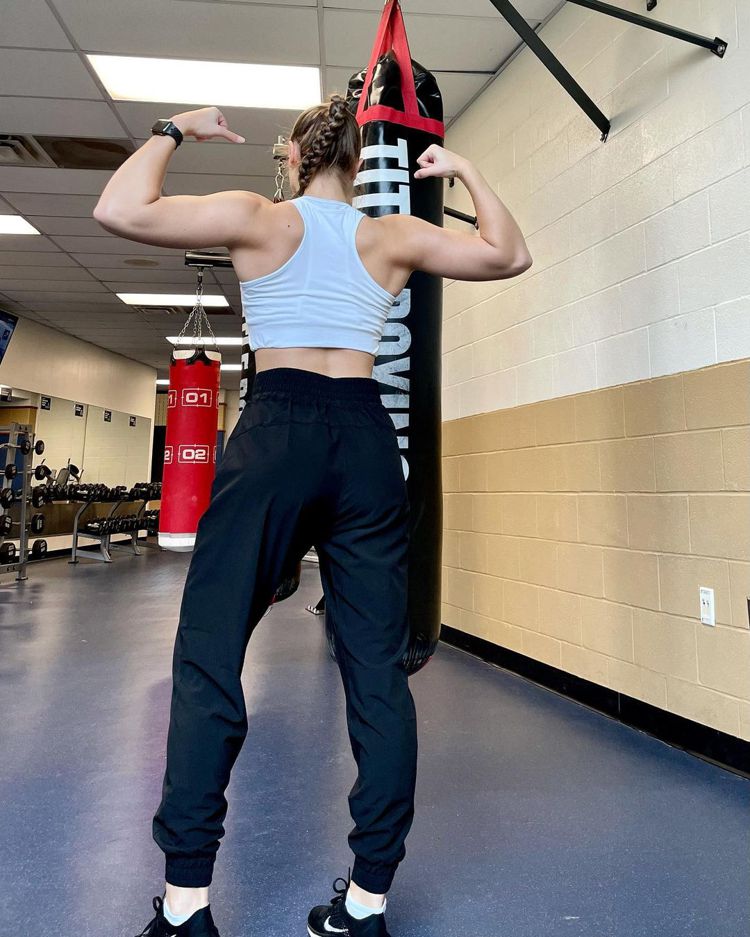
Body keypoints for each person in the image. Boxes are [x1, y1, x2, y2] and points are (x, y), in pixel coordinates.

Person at [93, 94, 531, 937]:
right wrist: (465, 171)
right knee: (377, 672)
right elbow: (508, 254)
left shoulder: (258, 217)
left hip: (277, 432)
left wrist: (175, 131)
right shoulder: (392, 235)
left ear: (292, 157)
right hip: (365, 438)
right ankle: (365, 905)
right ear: (360, 166)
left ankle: (185, 908)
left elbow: (119, 207)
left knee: (210, 654)